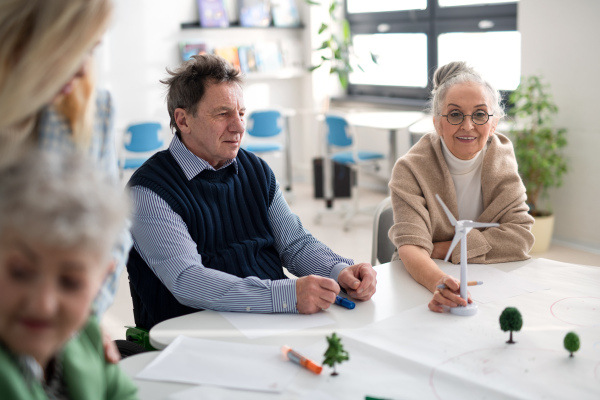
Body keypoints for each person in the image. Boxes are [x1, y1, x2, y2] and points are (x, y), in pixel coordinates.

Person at [127, 54, 377, 330]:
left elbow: (295, 244)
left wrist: (340, 271)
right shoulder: (148, 191)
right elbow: (187, 280)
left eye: (241, 113)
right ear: (183, 120)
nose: (239, 126)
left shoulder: (255, 169)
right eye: (223, 114)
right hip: (198, 338)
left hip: (269, 322)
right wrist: (286, 295)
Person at [0, 0, 130, 338]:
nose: (83, 70)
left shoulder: (93, 108)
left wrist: (80, 317)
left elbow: (112, 233)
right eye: (73, 47)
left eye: (92, 49)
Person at [388, 61, 534, 313]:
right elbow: (411, 247)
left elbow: (520, 237)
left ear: (493, 123)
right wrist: (440, 282)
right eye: (455, 114)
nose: (468, 126)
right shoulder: (410, 169)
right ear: (437, 123)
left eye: (479, 114)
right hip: (424, 284)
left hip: (492, 281)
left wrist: (445, 248)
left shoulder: (502, 159)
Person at [0, 152, 137, 399]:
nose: (42, 304)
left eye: (71, 283)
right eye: (20, 273)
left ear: (102, 280)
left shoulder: (86, 337)